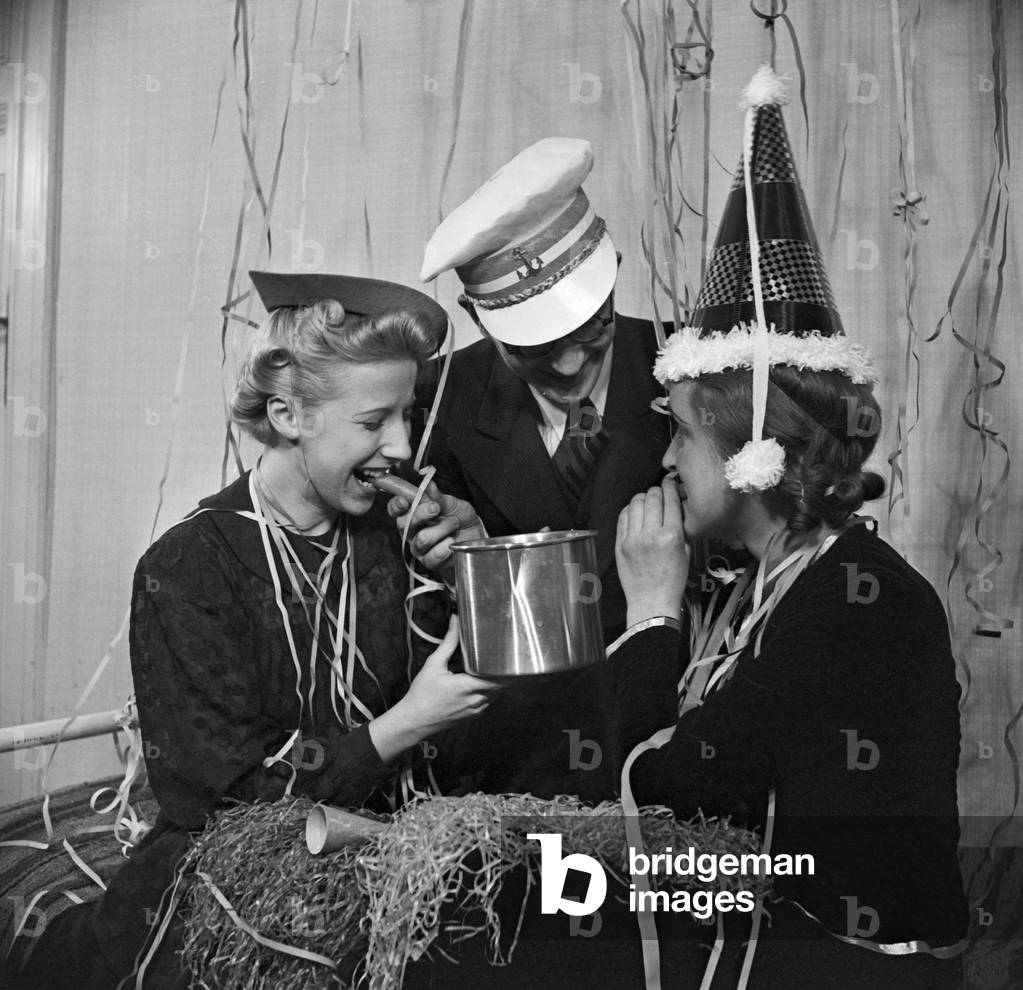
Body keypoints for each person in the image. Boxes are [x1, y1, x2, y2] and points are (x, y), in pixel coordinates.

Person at [9, 271, 501, 990]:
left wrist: (470, 569)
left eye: (408, 415)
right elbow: (221, 802)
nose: (400, 446)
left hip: (391, 877)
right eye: (373, 422)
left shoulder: (401, 539)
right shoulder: (186, 567)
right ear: (290, 414)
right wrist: (401, 726)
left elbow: (475, 732)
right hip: (219, 891)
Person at [605, 66, 968, 990]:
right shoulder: (768, 578)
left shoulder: (860, 602)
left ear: (751, 455)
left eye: (681, 435)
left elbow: (670, 787)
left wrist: (651, 614)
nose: (665, 463)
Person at [386, 138, 672, 803]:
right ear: (473, 317)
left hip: (660, 745)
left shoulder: (692, 370)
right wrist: (454, 543)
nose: (570, 366)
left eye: (588, 330)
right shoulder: (434, 400)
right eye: (535, 347)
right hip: (511, 767)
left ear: (614, 272)